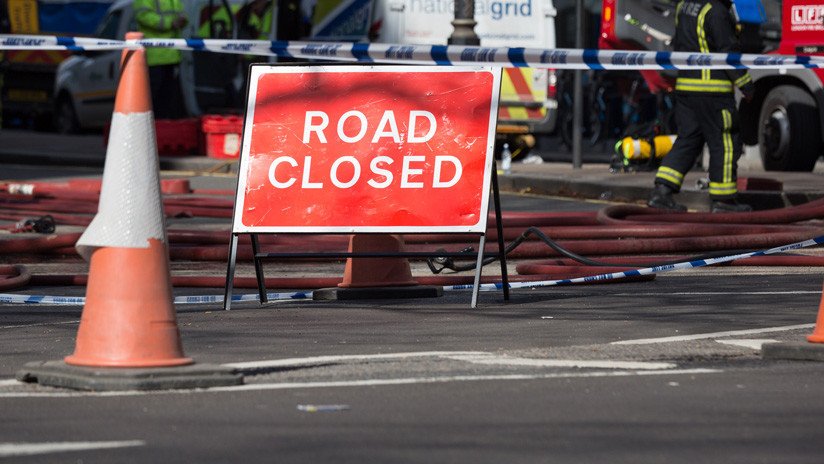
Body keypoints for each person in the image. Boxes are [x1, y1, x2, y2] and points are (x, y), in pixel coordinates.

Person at [647, 0, 755, 213]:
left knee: (688, 140)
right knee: (725, 142)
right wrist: (746, 84)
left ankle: (662, 192)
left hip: (687, 88)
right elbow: (728, 52)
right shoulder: (715, 11)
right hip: (713, 91)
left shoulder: (684, 5)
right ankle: (724, 200)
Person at [134, 0, 188, 119]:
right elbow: (143, 16)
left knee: (169, 99)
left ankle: (164, 126)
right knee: (153, 99)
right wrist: (171, 23)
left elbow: (182, 13)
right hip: (154, 57)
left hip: (172, 55)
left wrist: (183, 20)